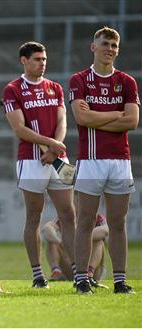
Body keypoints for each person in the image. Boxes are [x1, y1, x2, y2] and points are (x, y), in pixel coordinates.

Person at [69, 26, 139, 294]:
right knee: (85, 221)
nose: (110, 49)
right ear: (93, 47)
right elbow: (82, 119)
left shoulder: (127, 82)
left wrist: (99, 115)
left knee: (118, 223)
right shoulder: (80, 80)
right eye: (105, 44)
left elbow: (132, 121)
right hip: (91, 160)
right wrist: (116, 114)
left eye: (114, 46)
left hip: (120, 161)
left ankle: (120, 281)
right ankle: (81, 279)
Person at [2, 42, 76, 288]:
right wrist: (49, 145)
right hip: (30, 160)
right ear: (24, 60)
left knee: (69, 213)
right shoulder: (13, 89)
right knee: (34, 215)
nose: (42, 63)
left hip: (58, 158)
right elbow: (19, 128)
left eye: (44, 59)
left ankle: (78, 272)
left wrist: (56, 147)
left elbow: (62, 120)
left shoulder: (55, 87)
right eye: (37, 59)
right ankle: (37, 274)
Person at [41, 213, 108, 288]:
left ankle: (89, 274)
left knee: (98, 241)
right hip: (71, 268)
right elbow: (47, 229)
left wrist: (79, 238)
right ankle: (56, 272)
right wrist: (60, 242)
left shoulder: (98, 217)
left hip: (94, 268)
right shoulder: (67, 215)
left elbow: (105, 231)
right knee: (52, 241)